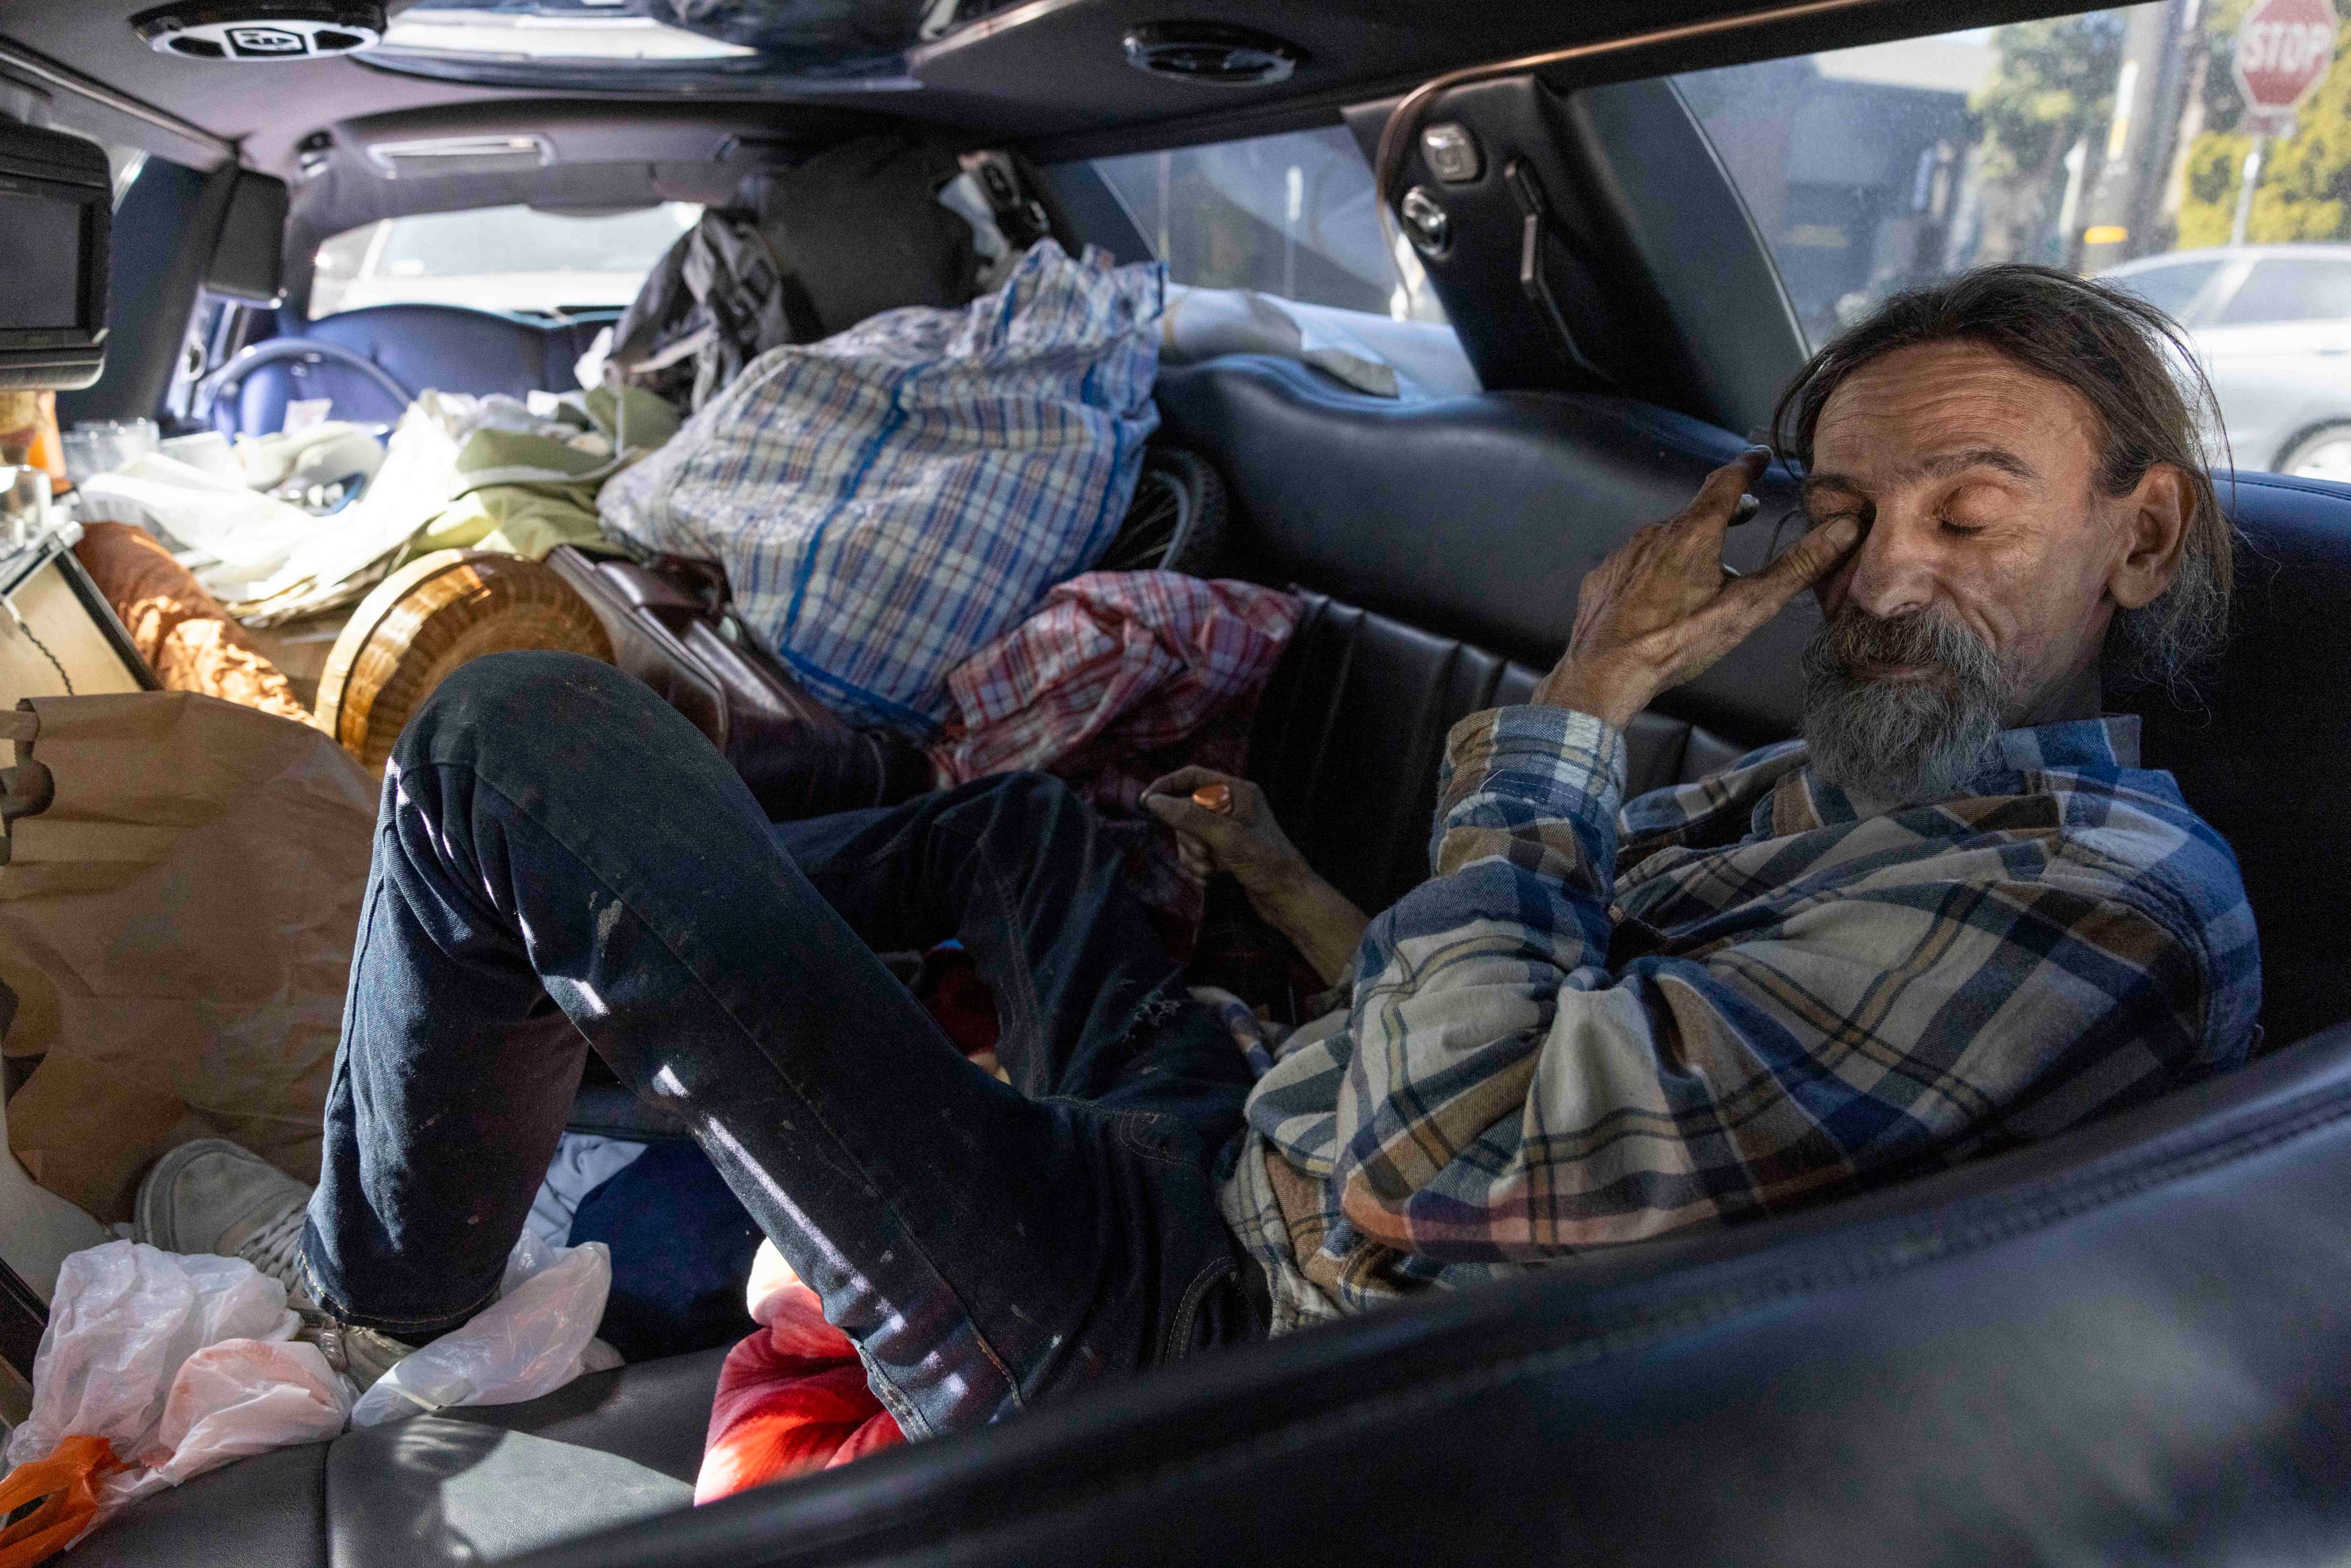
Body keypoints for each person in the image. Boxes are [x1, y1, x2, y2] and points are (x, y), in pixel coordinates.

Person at [135, 264, 2259, 1433]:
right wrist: (1286, 886)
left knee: (520, 727)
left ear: (2140, 531)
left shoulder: (2095, 902)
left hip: (1211, 1337)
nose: (1880, 581)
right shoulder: (1845, 799)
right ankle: (604, 1011)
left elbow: (1438, 1172)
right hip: (1233, 1132)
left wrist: (1581, 703)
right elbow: (1514, 1003)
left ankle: (364, 1298)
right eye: (1845, 521)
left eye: (1967, 513)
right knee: (1039, 828)